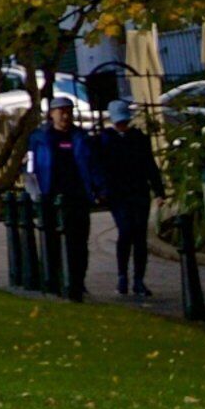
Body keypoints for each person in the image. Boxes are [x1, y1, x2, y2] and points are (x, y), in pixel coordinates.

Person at [26, 98, 101, 299]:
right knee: (51, 240)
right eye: (60, 111)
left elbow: (92, 166)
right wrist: (34, 191)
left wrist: (98, 189)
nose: (65, 116)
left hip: (77, 195)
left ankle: (77, 281)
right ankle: (54, 280)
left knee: (79, 242)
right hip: (50, 195)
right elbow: (31, 168)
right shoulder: (39, 137)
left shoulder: (81, 137)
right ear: (51, 114)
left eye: (68, 111)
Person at [91, 100, 163, 300]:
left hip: (138, 191)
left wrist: (159, 191)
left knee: (139, 235)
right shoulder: (104, 140)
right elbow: (97, 167)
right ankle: (122, 275)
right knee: (125, 231)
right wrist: (101, 190)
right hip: (118, 193)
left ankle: (138, 279)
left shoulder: (139, 139)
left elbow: (149, 165)